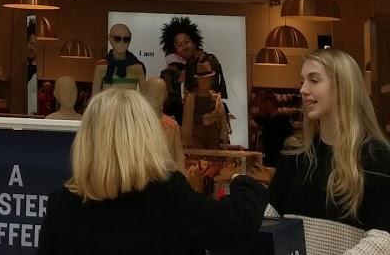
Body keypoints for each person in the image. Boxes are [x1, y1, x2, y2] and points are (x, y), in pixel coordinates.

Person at [38, 85, 267, 255]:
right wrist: (242, 182)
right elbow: (236, 226)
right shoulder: (168, 193)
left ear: (86, 139)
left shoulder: (62, 204)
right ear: (147, 135)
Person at [266, 48, 390, 254]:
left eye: (314, 80)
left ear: (343, 87)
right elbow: (270, 219)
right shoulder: (295, 154)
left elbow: (383, 238)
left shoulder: (376, 157)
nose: (303, 89)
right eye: (302, 81)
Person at [161, 16, 228, 149]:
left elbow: (213, 93)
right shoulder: (184, 66)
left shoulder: (208, 60)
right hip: (192, 120)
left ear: (194, 41)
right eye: (179, 45)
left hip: (209, 119)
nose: (184, 47)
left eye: (187, 42)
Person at [91, 23, 146, 96]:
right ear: (110, 39)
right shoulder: (101, 66)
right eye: (117, 39)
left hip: (130, 103)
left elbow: (144, 96)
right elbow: (94, 96)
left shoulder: (138, 66)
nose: (121, 43)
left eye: (126, 39)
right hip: (108, 103)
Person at [256, 92, 293, 169]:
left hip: (276, 157)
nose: (263, 108)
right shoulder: (272, 120)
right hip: (275, 156)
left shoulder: (279, 121)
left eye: (264, 105)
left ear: (268, 104)